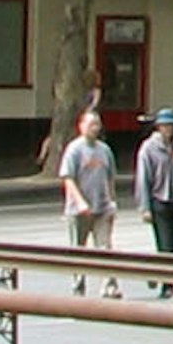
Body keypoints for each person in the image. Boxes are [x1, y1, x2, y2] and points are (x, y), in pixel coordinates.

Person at [58, 110, 118, 290]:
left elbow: (110, 178)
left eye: (97, 124)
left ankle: (109, 286)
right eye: (91, 124)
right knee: (78, 249)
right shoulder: (75, 149)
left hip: (102, 207)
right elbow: (67, 178)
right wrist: (80, 202)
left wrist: (112, 202)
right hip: (79, 210)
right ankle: (78, 284)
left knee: (105, 247)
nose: (95, 128)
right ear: (81, 126)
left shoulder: (104, 150)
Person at [134, 109, 173, 293]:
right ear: (158, 127)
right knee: (165, 245)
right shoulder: (149, 148)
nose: (170, 129)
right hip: (158, 200)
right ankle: (168, 285)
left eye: (172, 126)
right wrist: (145, 208)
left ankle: (155, 272)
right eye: (166, 126)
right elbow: (143, 178)